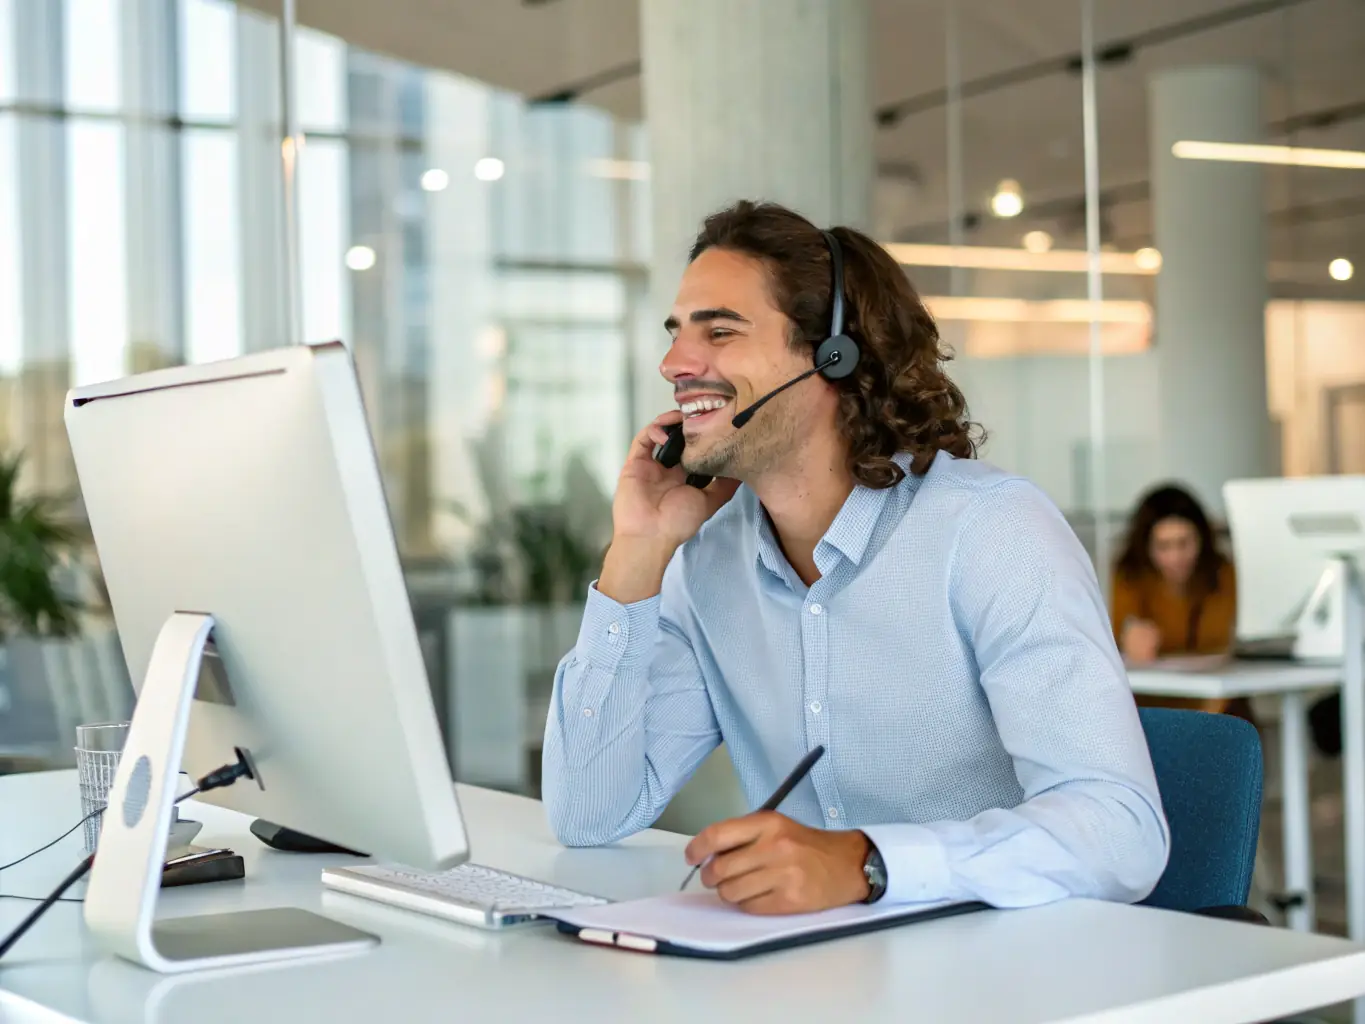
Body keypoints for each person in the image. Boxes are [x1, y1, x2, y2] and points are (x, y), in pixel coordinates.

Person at [542, 200, 1169, 916]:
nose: (674, 364)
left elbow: (1121, 833)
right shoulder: (708, 562)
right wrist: (637, 549)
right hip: (812, 962)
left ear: (832, 356)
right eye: (677, 334)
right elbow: (588, 812)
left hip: (1000, 959)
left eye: (719, 331)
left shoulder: (990, 532)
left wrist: (869, 864)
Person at [1110, 484, 1245, 717]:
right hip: (1150, 707)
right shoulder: (1130, 575)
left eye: (1184, 543)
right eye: (1164, 546)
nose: (1175, 557)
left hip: (1214, 699)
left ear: (1201, 539)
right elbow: (1125, 629)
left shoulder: (1222, 574)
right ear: (1146, 547)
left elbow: (1218, 642)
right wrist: (1128, 634)